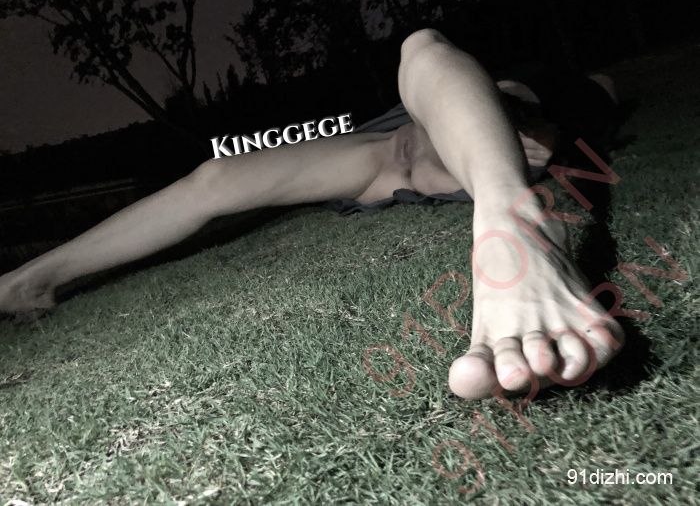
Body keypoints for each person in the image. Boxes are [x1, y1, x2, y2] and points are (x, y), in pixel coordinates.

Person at [0, 29, 624, 400]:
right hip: (384, 149)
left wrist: (563, 110)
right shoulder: (431, 113)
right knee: (216, 177)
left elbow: (589, 93)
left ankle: (510, 220)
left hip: (468, 148)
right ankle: (30, 280)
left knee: (433, 56)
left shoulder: (545, 109)